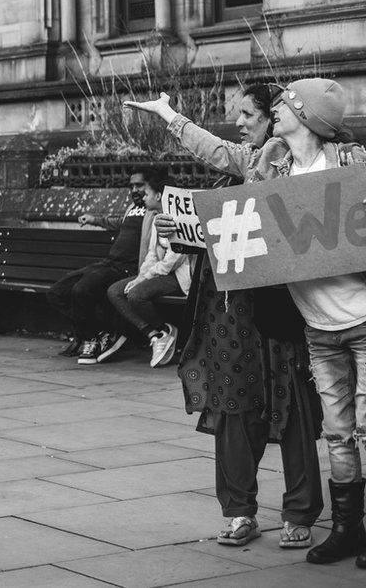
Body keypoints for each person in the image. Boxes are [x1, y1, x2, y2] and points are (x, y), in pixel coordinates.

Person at [128, 79, 366, 566]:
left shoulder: (352, 162)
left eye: (272, 109)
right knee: (340, 432)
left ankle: (326, 519)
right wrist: (193, 229)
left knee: (337, 422)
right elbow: (230, 189)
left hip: (334, 318)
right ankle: (343, 529)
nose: (261, 119)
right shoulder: (268, 164)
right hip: (307, 322)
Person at [48, 169, 154, 364]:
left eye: (139, 185)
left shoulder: (154, 209)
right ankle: (100, 332)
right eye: (132, 186)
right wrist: (94, 219)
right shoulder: (132, 207)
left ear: (150, 187)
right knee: (56, 292)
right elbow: (118, 223)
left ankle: (90, 338)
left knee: (81, 290)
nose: (134, 190)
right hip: (108, 263)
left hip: (126, 269)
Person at [106, 169, 191, 367]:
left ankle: (162, 332)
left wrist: (143, 279)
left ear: (159, 195)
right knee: (115, 291)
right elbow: (152, 254)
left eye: (146, 194)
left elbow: (172, 261)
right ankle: (157, 333)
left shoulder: (179, 218)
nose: (143, 198)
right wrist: (141, 276)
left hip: (178, 277)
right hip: (159, 274)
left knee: (136, 295)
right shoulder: (155, 218)